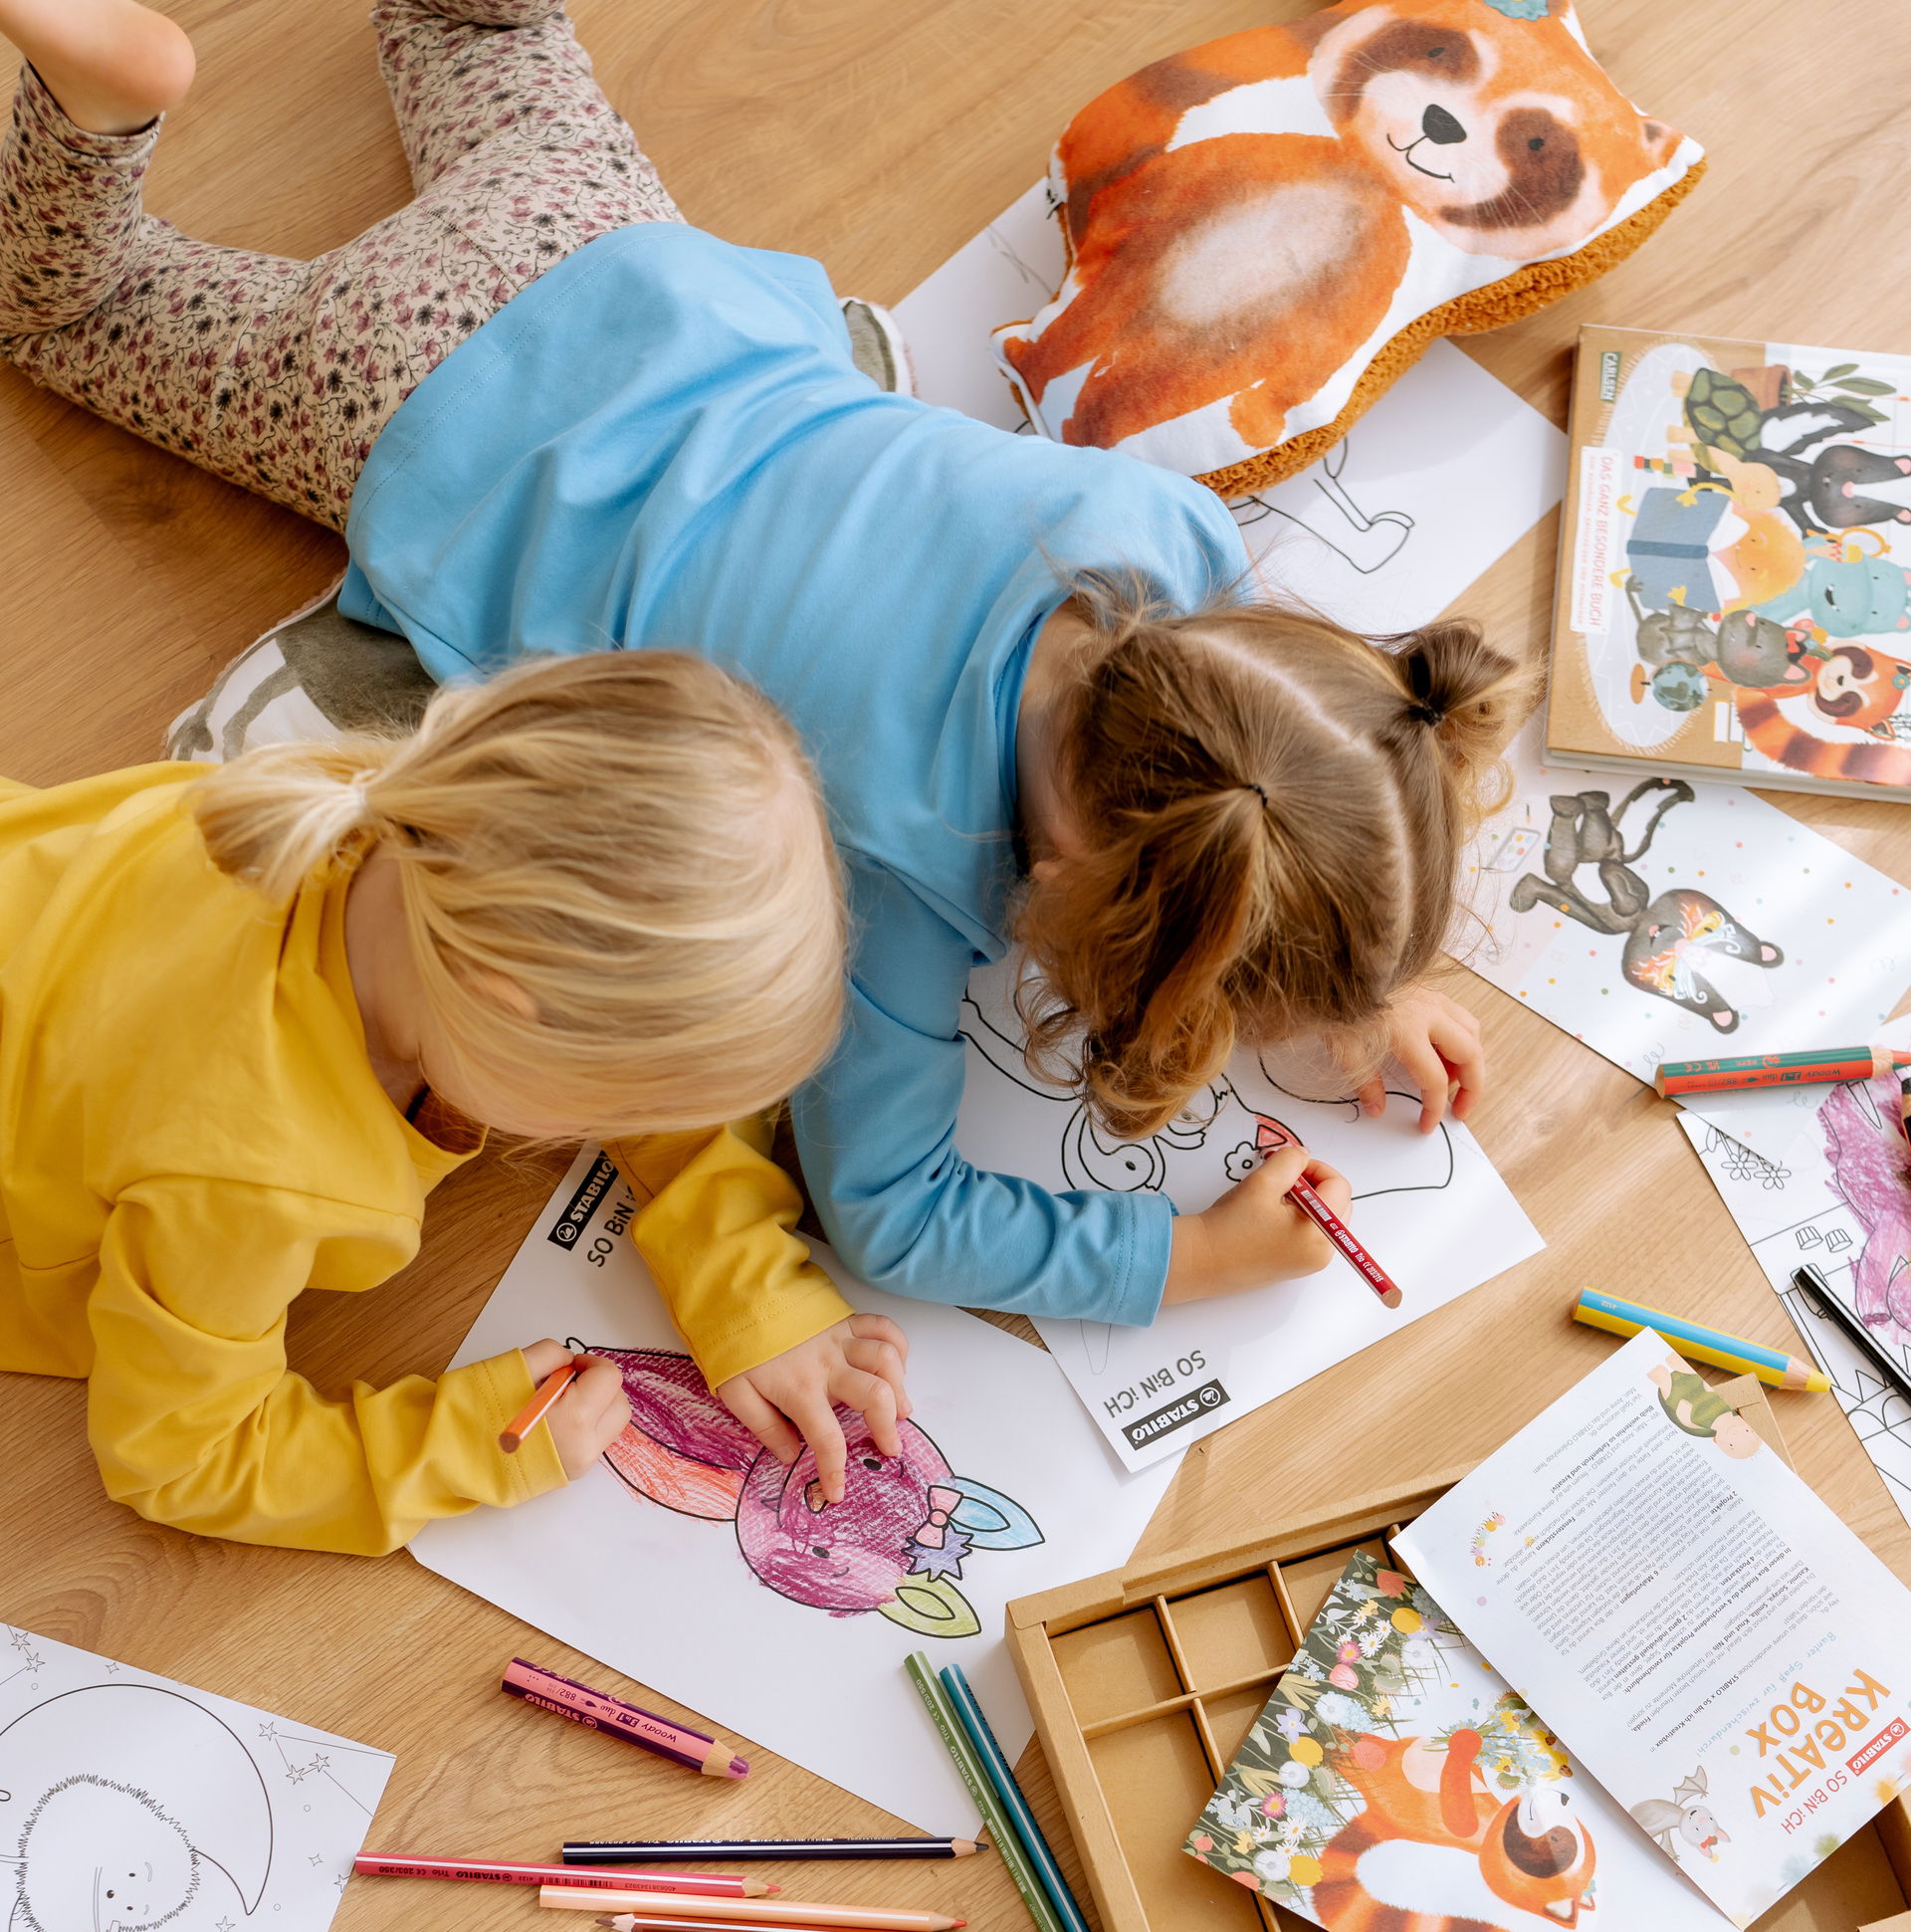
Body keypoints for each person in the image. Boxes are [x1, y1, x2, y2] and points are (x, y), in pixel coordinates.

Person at [0, 0, 1526, 1360]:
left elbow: (1273, 779)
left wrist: (1349, 975)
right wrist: (1187, 1259)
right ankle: (99, 112)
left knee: (483, 32)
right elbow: (893, 1216)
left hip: (624, 264)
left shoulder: (1168, 537)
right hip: (414, 397)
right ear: (1085, 901)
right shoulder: (883, 873)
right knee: (65, 308)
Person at [0, 649, 910, 1550]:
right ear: (503, 1009)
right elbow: (179, 1458)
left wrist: (747, 1288)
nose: (623, 1131)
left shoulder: (410, 816)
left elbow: (644, 1021)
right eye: (609, 1111)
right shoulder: (249, 1179)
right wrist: (474, 1443)